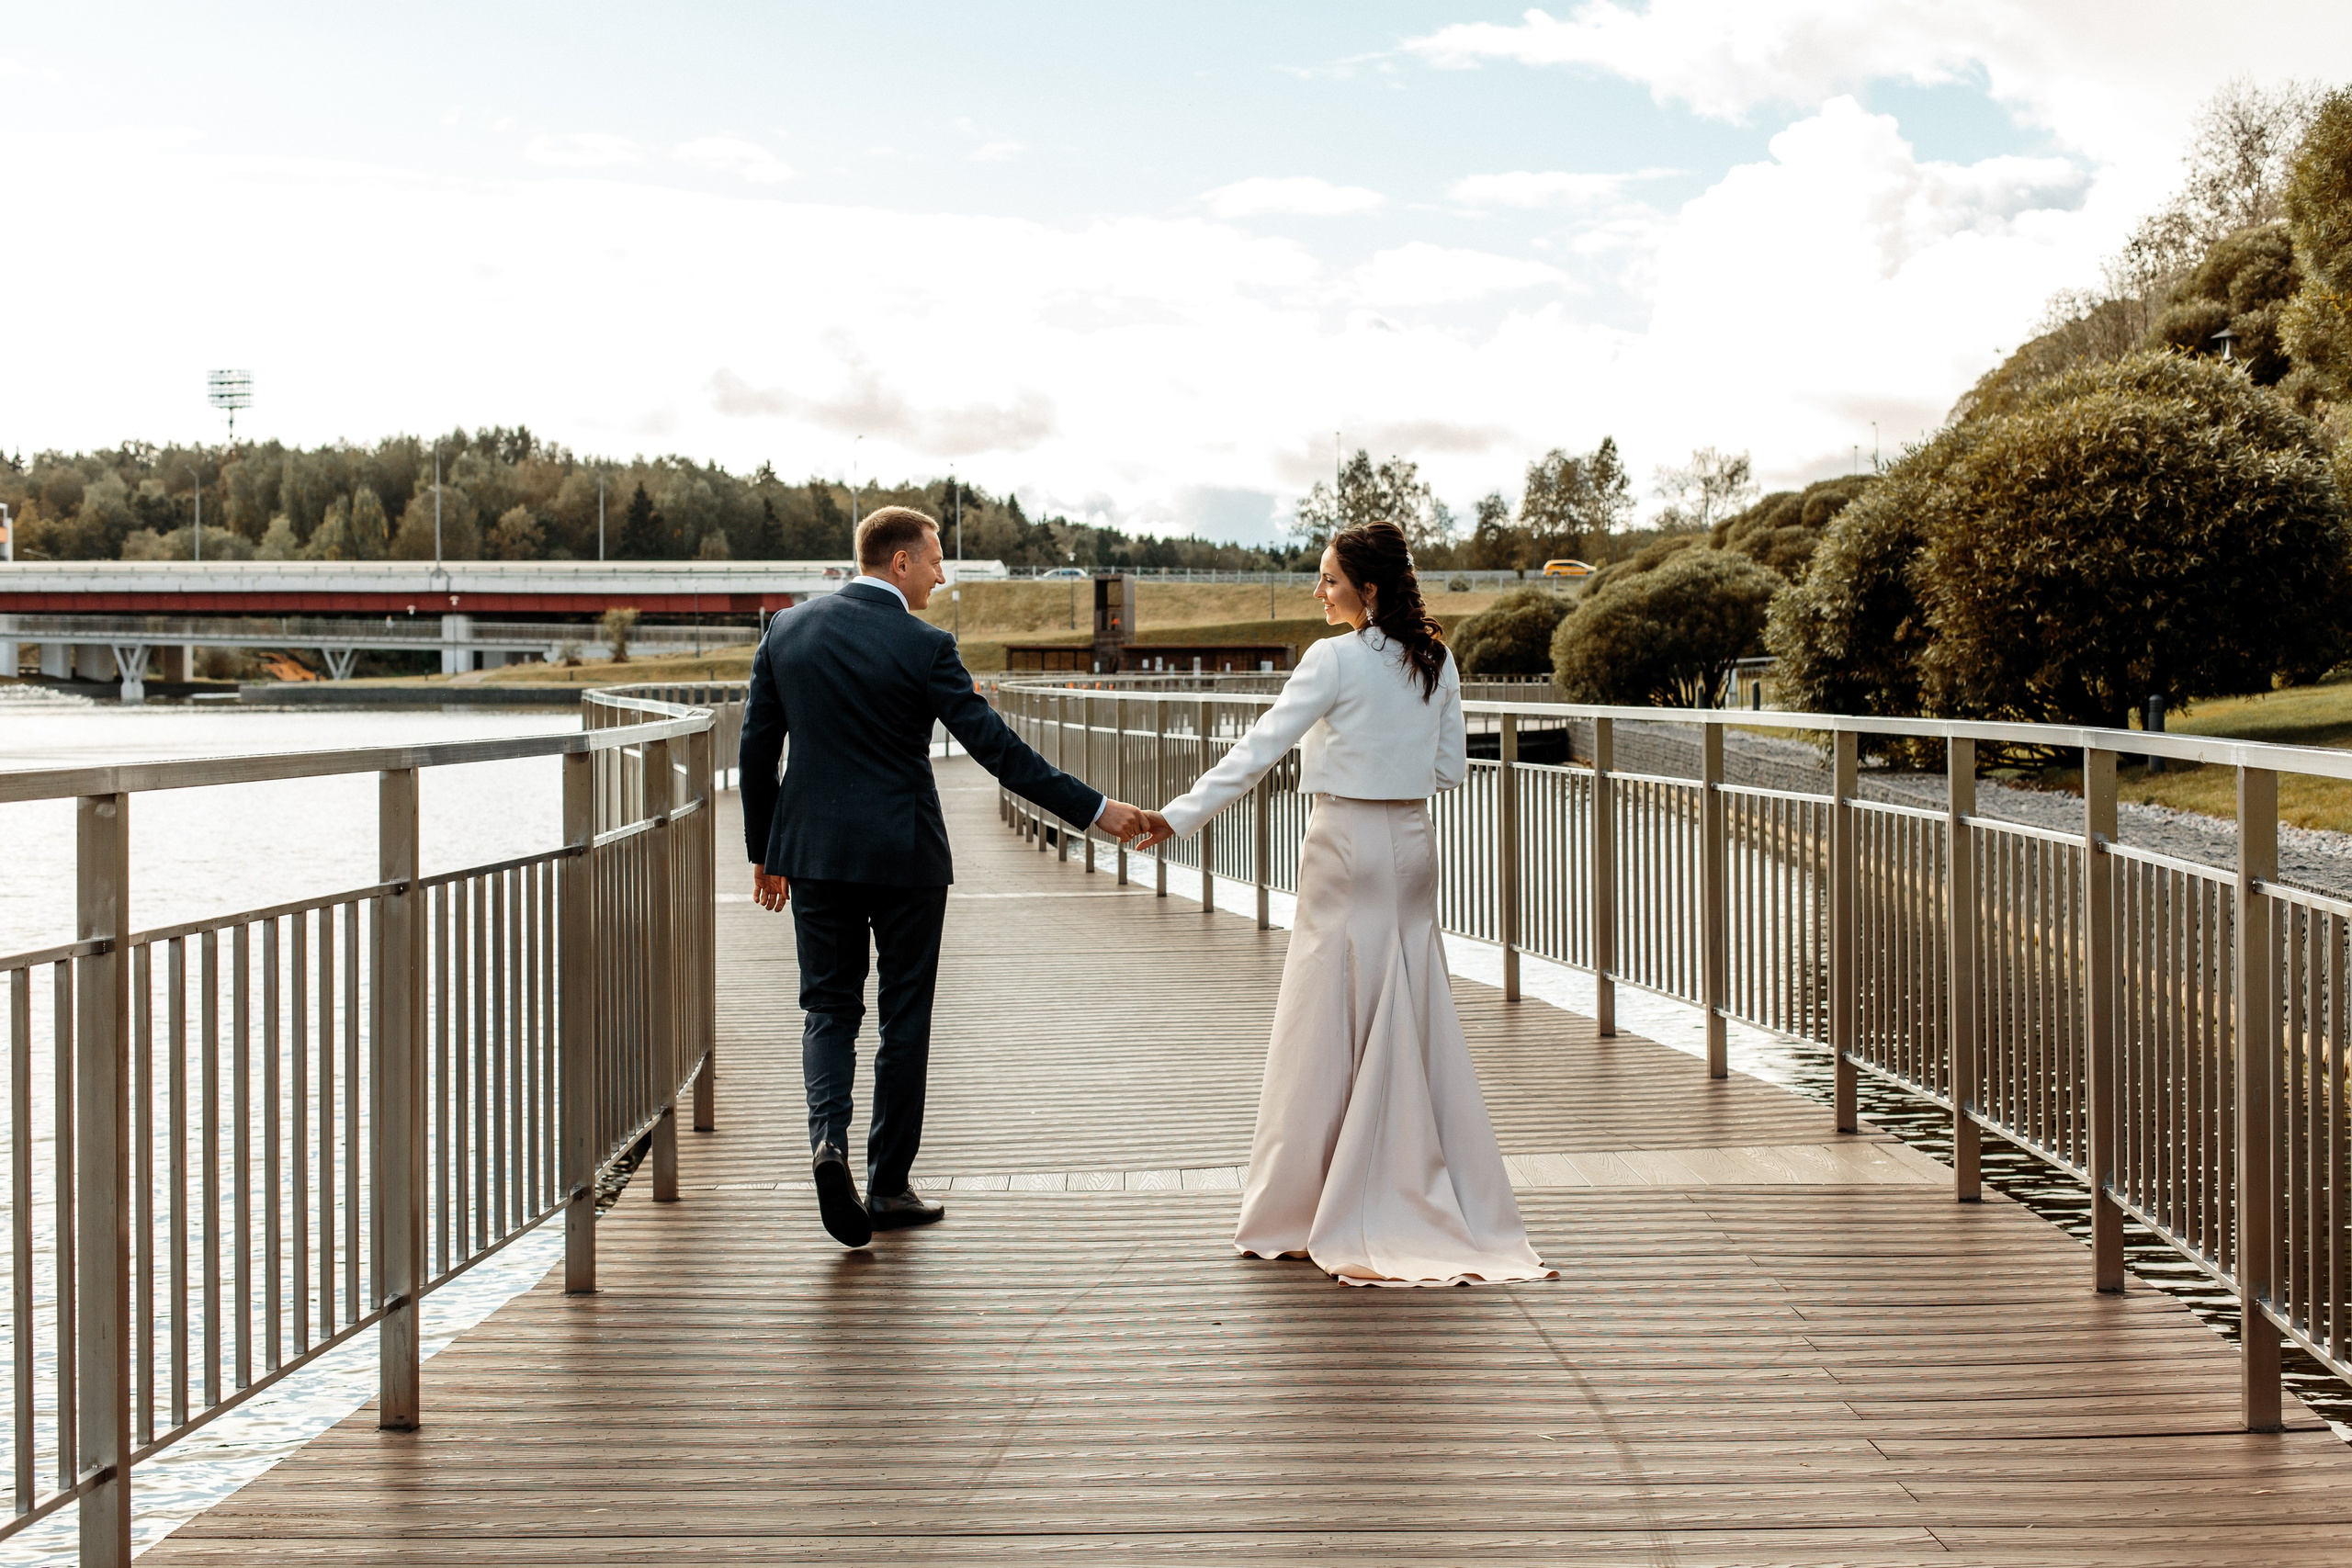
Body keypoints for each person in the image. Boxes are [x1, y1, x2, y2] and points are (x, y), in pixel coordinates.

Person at [1135, 520, 1551, 1288]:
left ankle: (1307, 1204)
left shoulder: (1331, 659)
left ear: (1369, 588)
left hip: (1344, 844)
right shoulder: (1436, 658)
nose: (1319, 591)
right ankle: (1420, 1185)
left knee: (1325, 1016)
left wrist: (1178, 816)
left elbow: (1259, 749)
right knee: (1410, 1002)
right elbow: (1451, 767)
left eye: (1329, 579)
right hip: (1413, 845)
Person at [741, 506, 1150, 1248]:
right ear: (899, 562)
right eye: (934, 560)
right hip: (906, 856)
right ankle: (888, 1184)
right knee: (904, 1015)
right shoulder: (925, 646)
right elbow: (999, 750)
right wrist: (1096, 810)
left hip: (815, 855)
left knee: (828, 1008)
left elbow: (756, 750)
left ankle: (827, 1142)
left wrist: (765, 853)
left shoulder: (787, 631)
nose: (940, 575)